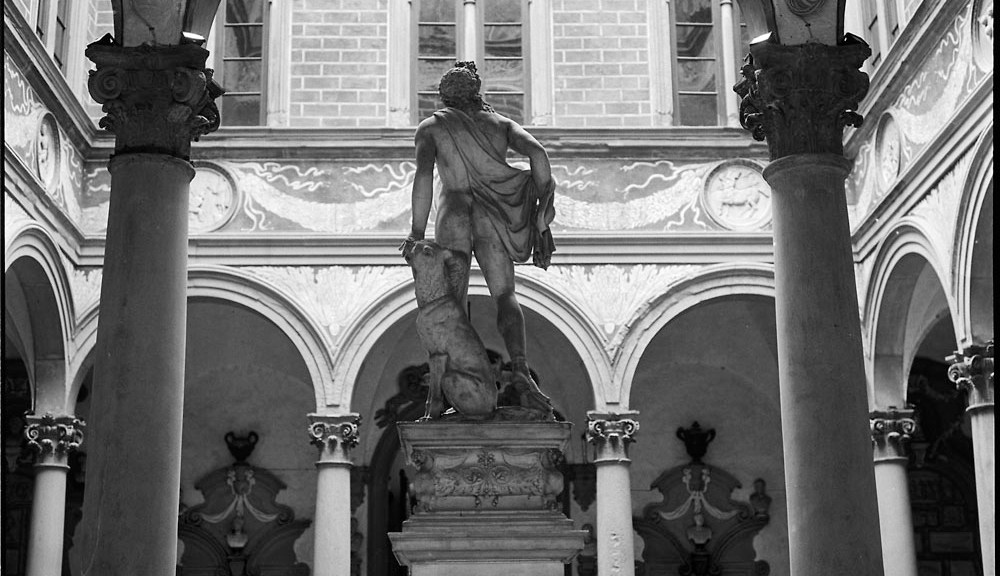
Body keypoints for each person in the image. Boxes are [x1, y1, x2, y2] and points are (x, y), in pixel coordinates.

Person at [400, 61, 556, 413]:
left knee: (450, 302)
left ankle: (442, 393)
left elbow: (423, 177)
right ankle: (519, 368)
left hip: (454, 211)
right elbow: (538, 153)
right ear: (476, 94)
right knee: (505, 294)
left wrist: (416, 232)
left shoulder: (432, 127)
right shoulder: (500, 124)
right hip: (494, 214)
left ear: (444, 97)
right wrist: (541, 209)